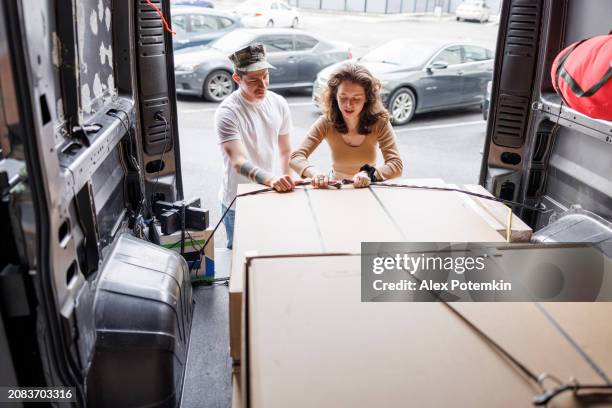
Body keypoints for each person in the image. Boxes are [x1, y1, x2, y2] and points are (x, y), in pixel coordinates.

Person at [215, 43, 295, 249]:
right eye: (253, 80)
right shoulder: (228, 112)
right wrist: (272, 179)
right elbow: (239, 162)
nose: (263, 85)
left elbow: (286, 151)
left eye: (265, 76)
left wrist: (288, 182)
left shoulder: (279, 103)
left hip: (269, 192)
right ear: (237, 79)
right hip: (237, 200)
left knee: (269, 249)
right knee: (239, 257)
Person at [290, 63, 403, 188]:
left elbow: (396, 164)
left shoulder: (380, 122)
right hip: (337, 186)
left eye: (356, 99)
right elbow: (296, 157)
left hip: (368, 186)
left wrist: (369, 174)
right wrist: (315, 174)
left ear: (367, 99)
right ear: (334, 96)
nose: (349, 105)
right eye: (343, 98)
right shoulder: (326, 122)